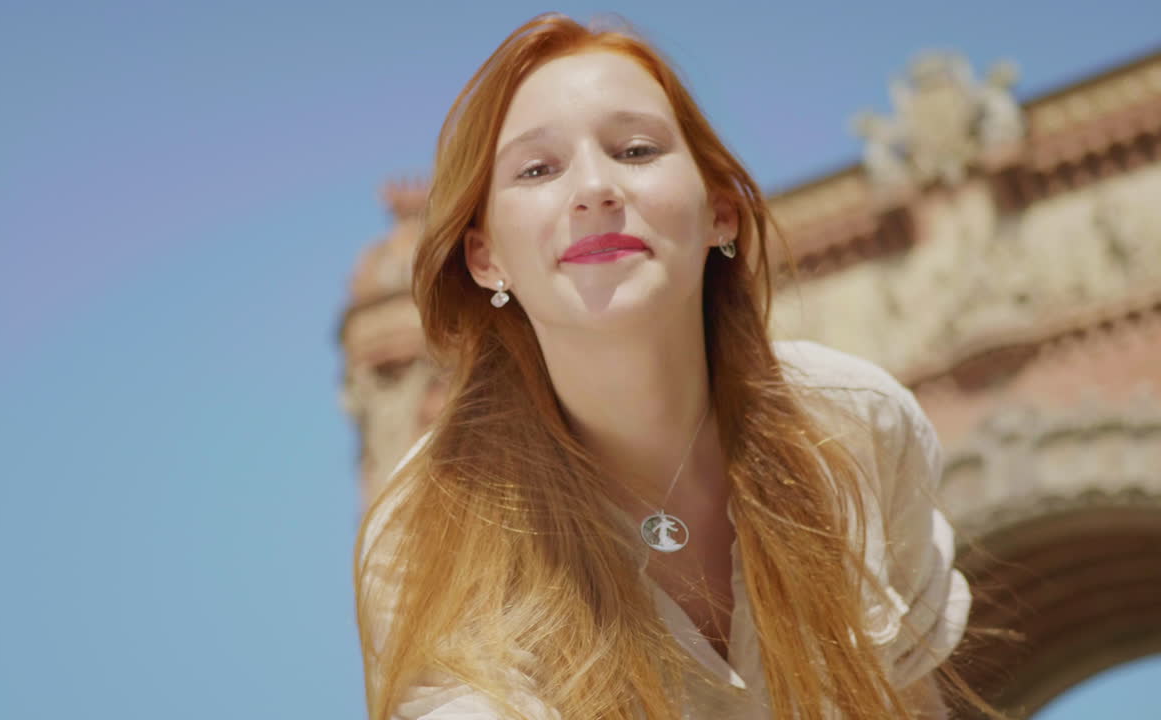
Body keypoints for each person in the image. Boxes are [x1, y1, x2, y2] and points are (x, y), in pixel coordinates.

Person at [354, 12, 978, 720]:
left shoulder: (860, 425)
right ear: (485, 257)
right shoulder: (430, 532)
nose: (594, 187)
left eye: (637, 150)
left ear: (721, 214)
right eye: (537, 169)